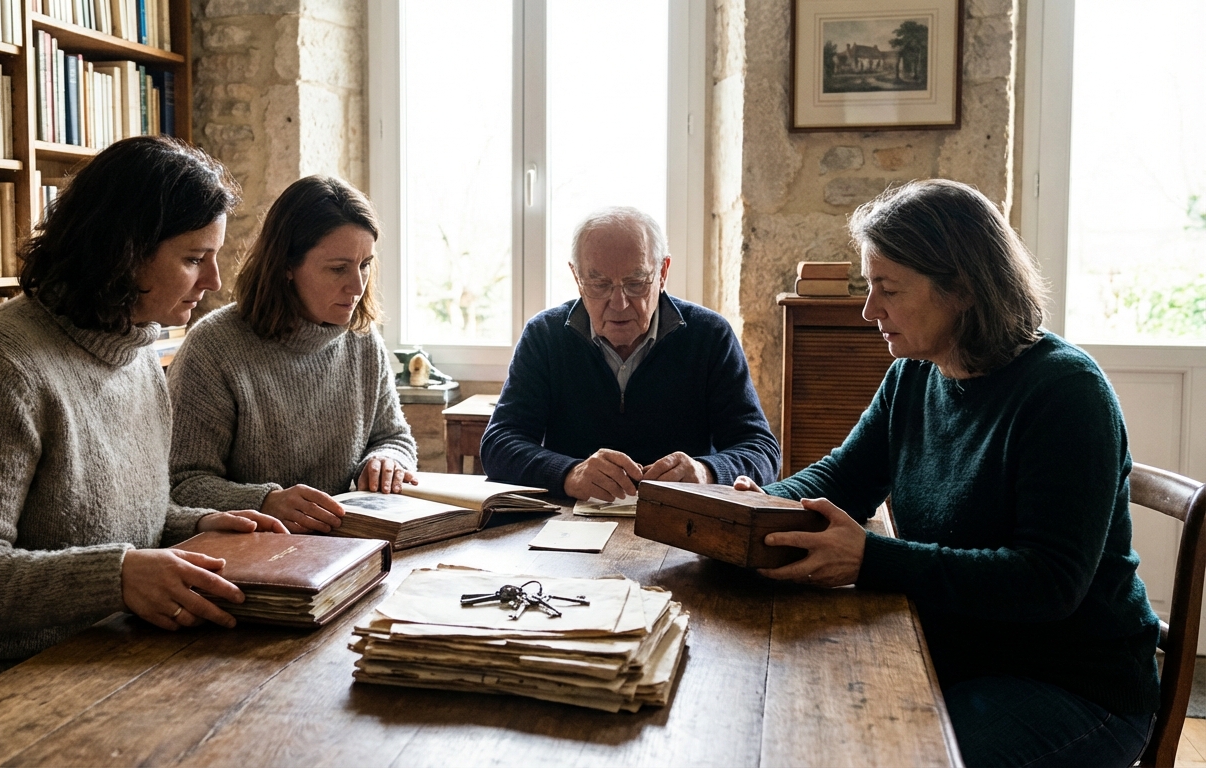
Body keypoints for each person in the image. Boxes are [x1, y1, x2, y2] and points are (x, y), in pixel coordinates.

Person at [735, 179, 1159, 767]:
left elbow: (1048, 583)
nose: (868, 311)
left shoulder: (1066, 393)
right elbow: (842, 476)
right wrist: (756, 507)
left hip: (1073, 685)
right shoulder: (916, 374)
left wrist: (871, 559)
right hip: (957, 653)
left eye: (887, 290)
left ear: (960, 288)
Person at [0, 136, 288, 719]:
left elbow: (93, 517)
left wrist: (194, 524)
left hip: (97, 659)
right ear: (123, 252)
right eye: (194, 258)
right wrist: (120, 577)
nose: (215, 283)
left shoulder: (138, 357)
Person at [167, 175, 417, 534]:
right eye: (338, 268)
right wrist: (265, 501)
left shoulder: (362, 339)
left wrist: (387, 459)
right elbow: (182, 484)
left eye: (364, 265)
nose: (357, 287)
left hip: (346, 543)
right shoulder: (214, 347)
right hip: (253, 554)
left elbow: (394, 436)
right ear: (286, 264)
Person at [480, 206, 779, 501]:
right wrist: (569, 474)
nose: (619, 303)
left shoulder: (710, 336)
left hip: (685, 523)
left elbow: (761, 449)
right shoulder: (545, 336)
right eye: (599, 284)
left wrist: (706, 472)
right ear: (577, 278)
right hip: (570, 527)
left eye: (636, 283)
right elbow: (499, 445)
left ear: (662, 272)